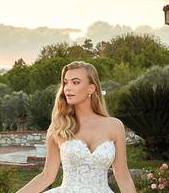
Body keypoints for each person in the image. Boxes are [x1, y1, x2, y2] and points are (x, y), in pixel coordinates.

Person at [17, 61, 136, 193]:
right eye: (65, 82)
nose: (67, 88)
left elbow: (123, 177)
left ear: (92, 88)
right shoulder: (58, 127)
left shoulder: (114, 126)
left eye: (75, 82)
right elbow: (47, 177)